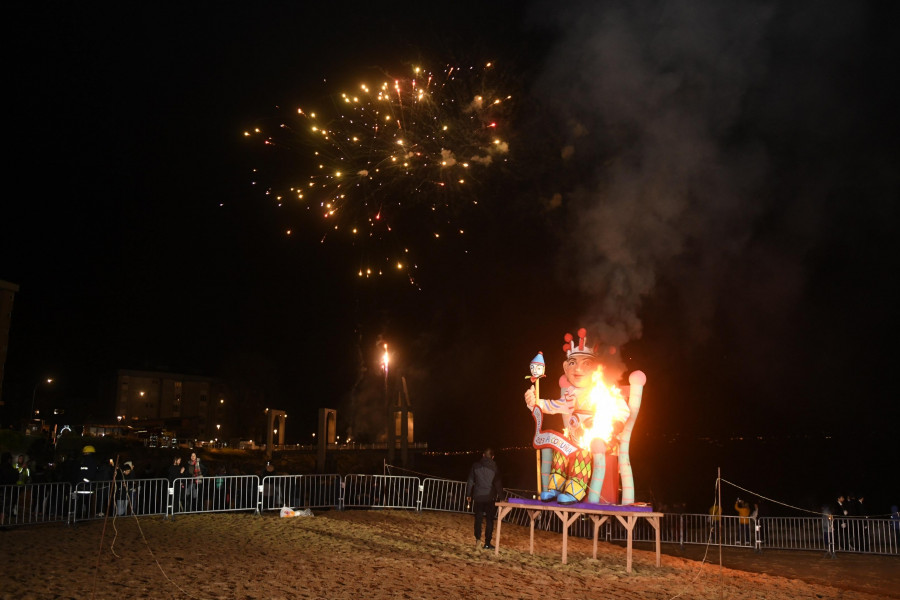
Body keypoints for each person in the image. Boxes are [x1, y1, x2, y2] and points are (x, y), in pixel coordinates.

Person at [525, 328, 630, 504]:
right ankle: (554, 488)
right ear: (566, 368)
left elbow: (622, 411)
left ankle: (575, 489)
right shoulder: (571, 394)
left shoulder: (605, 390)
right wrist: (535, 402)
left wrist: (615, 424)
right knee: (560, 451)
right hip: (573, 441)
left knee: (582, 452)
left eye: (586, 363)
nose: (578, 368)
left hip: (597, 443)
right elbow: (553, 406)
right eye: (573, 363)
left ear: (597, 368)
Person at [466, 448, 502, 550]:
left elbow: (470, 481)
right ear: (493, 457)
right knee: (490, 520)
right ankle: (487, 543)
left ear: (483, 455)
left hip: (478, 497)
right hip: (490, 497)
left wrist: (468, 494)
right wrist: (502, 497)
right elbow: (498, 484)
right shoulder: (494, 467)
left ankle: (478, 540)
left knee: (478, 519)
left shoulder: (475, 465)